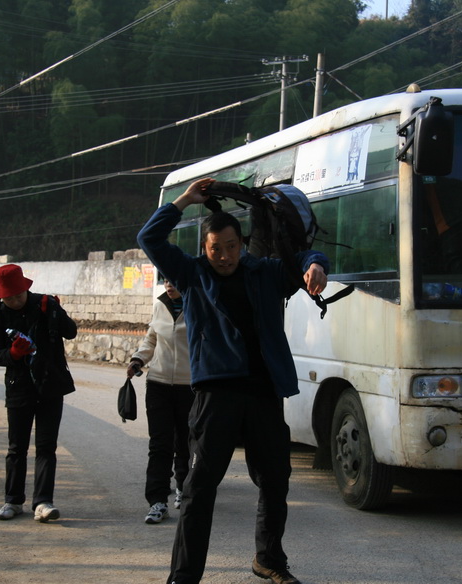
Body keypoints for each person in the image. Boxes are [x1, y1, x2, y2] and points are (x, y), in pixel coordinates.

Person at [137, 177, 329, 584]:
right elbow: (149, 236)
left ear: (241, 244)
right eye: (215, 249)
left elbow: (303, 257)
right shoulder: (191, 275)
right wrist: (185, 200)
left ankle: (269, 560)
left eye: (230, 248)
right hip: (216, 394)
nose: (223, 257)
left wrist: (316, 265)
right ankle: (183, 576)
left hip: (263, 394)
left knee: (275, 481)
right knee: (199, 488)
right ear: (203, 249)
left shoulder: (265, 273)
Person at [0, 264, 78, 523]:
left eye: (17, 295)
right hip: (19, 388)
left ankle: (43, 502)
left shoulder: (45, 306)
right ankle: (13, 501)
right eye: (8, 297)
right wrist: (13, 354)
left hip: (50, 385)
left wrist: (57, 313)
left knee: (46, 447)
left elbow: (70, 332)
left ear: (26, 288)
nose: (14, 301)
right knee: (17, 447)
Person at [126, 278, 194, 525]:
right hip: (158, 384)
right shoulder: (160, 305)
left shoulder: (198, 303)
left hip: (190, 386)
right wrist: (137, 360)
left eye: (175, 278)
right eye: (165, 279)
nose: (169, 284)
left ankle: (183, 489)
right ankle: (157, 502)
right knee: (159, 444)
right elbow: (151, 339)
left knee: (186, 443)